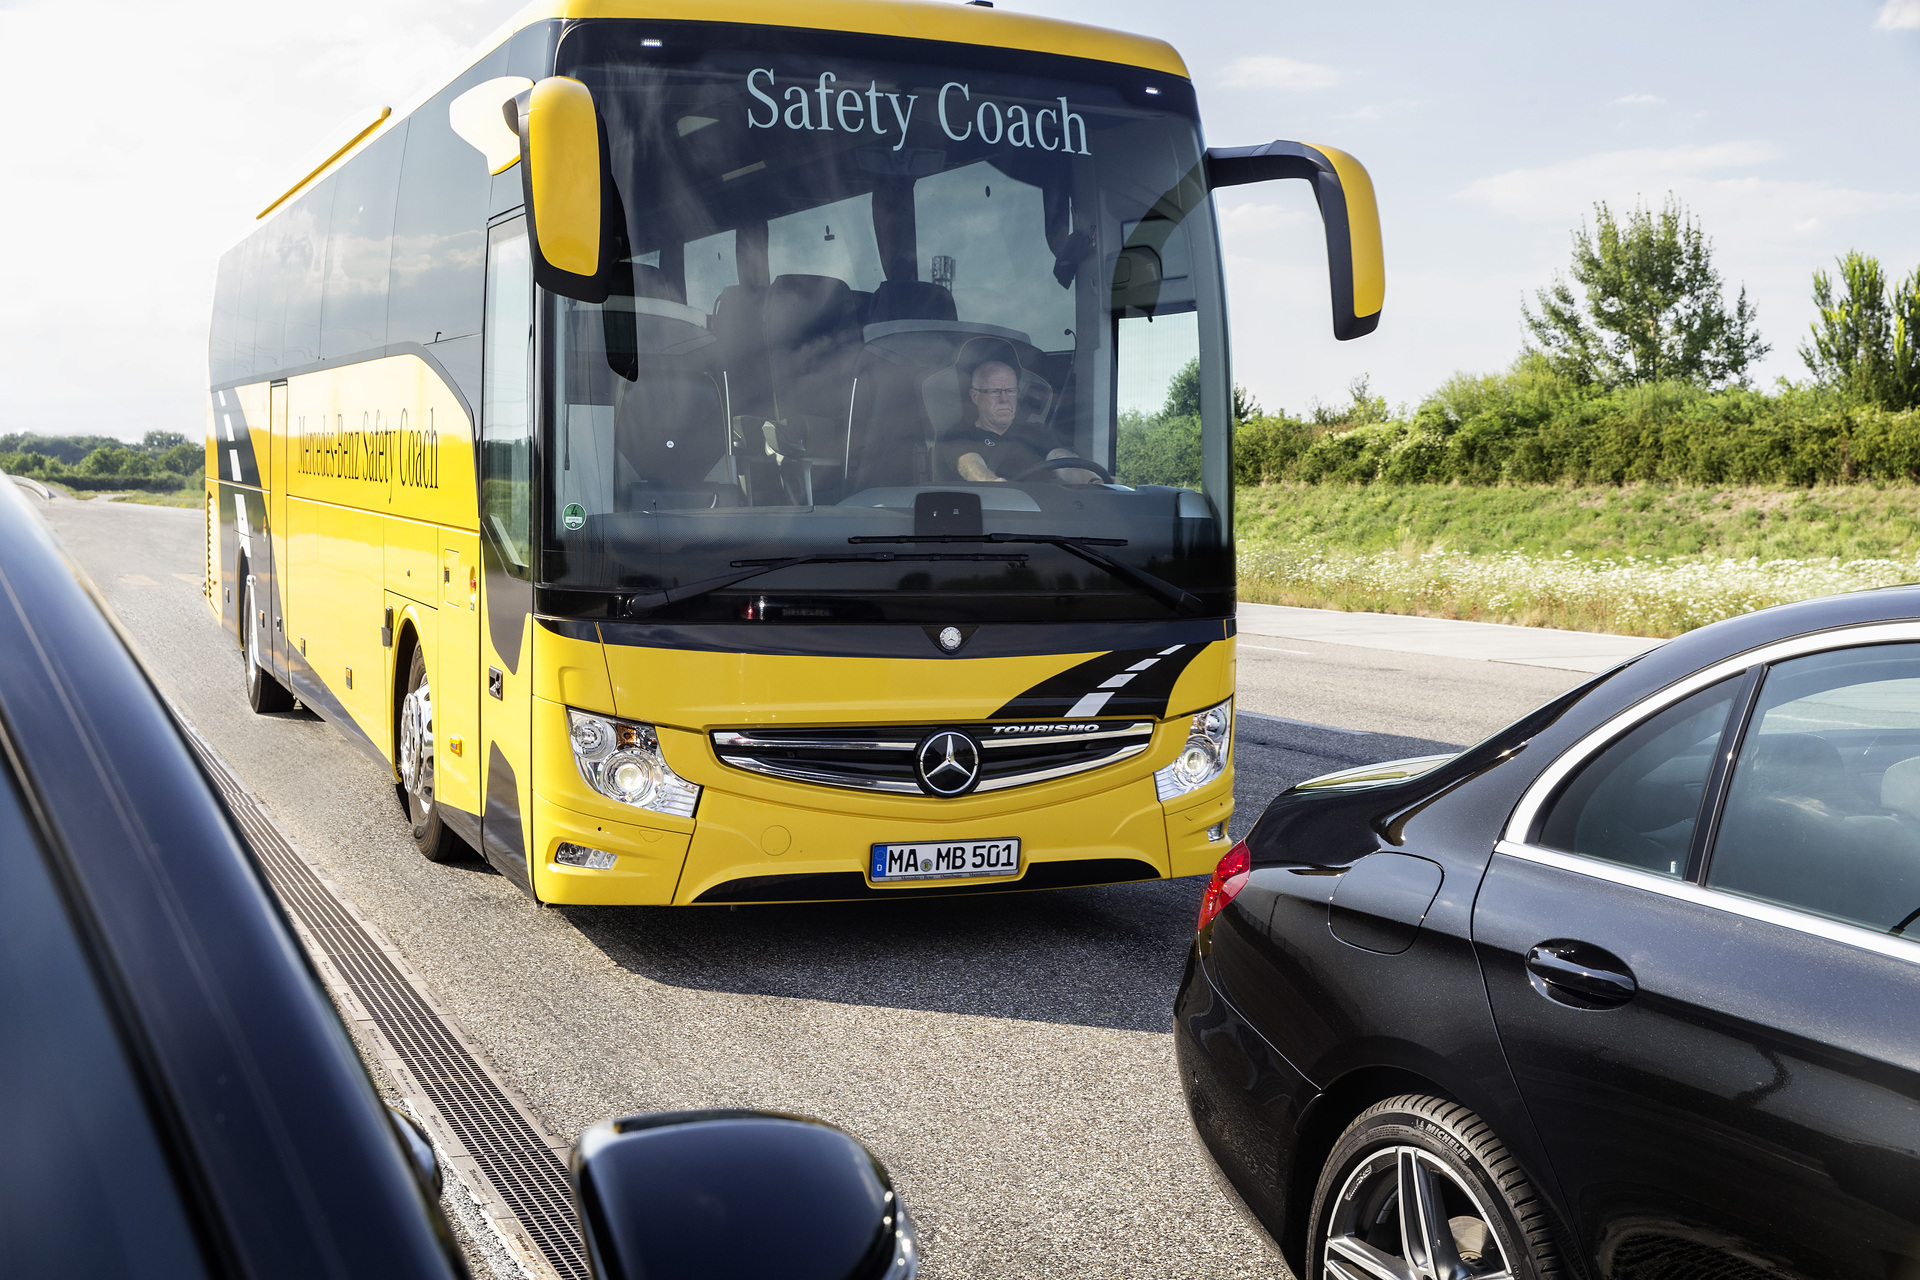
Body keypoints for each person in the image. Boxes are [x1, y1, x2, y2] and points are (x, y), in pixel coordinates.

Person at [940, 360, 1098, 484]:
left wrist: (1093, 480)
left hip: (1040, 518)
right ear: (975, 397)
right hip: (986, 516)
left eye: (1010, 391)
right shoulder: (960, 434)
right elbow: (970, 463)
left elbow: (1062, 460)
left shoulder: (1036, 432)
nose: (1004, 399)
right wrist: (993, 484)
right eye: (995, 391)